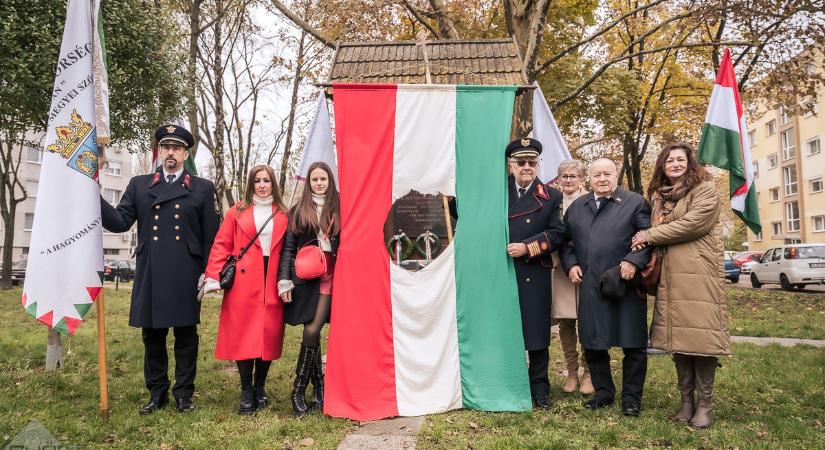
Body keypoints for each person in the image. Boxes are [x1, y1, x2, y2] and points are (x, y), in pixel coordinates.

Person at [100, 124, 220, 414]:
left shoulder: (202, 188)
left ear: (185, 153)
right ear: (159, 152)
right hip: (151, 269)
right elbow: (119, 222)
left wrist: (209, 272)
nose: (170, 153)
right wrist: (93, 196)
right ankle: (157, 393)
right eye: (165, 147)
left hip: (186, 271)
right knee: (152, 335)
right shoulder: (140, 185)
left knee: (185, 335)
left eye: (176, 148)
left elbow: (211, 237)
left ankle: (184, 393)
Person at [631, 143, 730, 428]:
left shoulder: (705, 189)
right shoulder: (662, 197)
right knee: (680, 339)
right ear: (663, 165)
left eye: (680, 159)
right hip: (671, 277)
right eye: (669, 160)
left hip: (699, 275)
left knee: (702, 339)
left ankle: (705, 405)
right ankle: (686, 401)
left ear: (690, 163)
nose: (674, 164)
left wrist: (649, 235)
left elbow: (692, 224)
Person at [560, 158, 651, 417]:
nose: (602, 179)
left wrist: (633, 261)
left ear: (616, 175)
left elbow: (647, 238)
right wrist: (571, 265)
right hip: (590, 285)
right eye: (597, 174)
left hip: (626, 285)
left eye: (607, 174)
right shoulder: (578, 207)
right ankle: (604, 392)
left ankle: (631, 399)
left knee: (633, 345)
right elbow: (566, 243)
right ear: (589, 178)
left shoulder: (635, 202)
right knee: (593, 342)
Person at [201, 165, 289, 415]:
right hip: (243, 280)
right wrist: (212, 276)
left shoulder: (283, 213)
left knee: (268, 334)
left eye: (267, 181)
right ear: (251, 184)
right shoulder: (236, 211)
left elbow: (289, 249)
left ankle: (260, 387)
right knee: (244, 335)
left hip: (272, 278)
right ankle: (246, 390)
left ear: (274, 184)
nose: (262, 185)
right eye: (257, 181)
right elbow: (221, 245)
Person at [504, 138, 565, 410]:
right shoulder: (497, 191)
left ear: (538, 163)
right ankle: (509, 386)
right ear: (511, 165)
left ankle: (539, 390)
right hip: (501, 271)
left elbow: (557, 234)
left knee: (537, 334)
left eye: (532, 162)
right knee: (505, 330)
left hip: (533, 271)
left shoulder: (551, 196)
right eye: (521, 162)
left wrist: (528, 247)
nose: (526, 167)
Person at [278, 162, 341, 416]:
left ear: (329, 181)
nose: (319, 183)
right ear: (309, 183)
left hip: (333, 277)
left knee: (313, 329)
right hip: (307, 278)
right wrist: (284, 279)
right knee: (310, 329)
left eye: (323, 178)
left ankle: (302, 389)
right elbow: (288, 250)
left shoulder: (339, 208)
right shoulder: (298, 210)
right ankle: (314, 389)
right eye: (315, 179)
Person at [550, 159, 593, 395]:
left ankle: (589, 372)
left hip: (587, 267)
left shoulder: (591, 199)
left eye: (573, 176)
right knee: (566, 321)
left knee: (587, 319)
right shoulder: (553, 202)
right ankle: (572, 372)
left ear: (581, 179)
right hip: (560, 269)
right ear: (559, 179)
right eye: (564, 176)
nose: (568, 180)